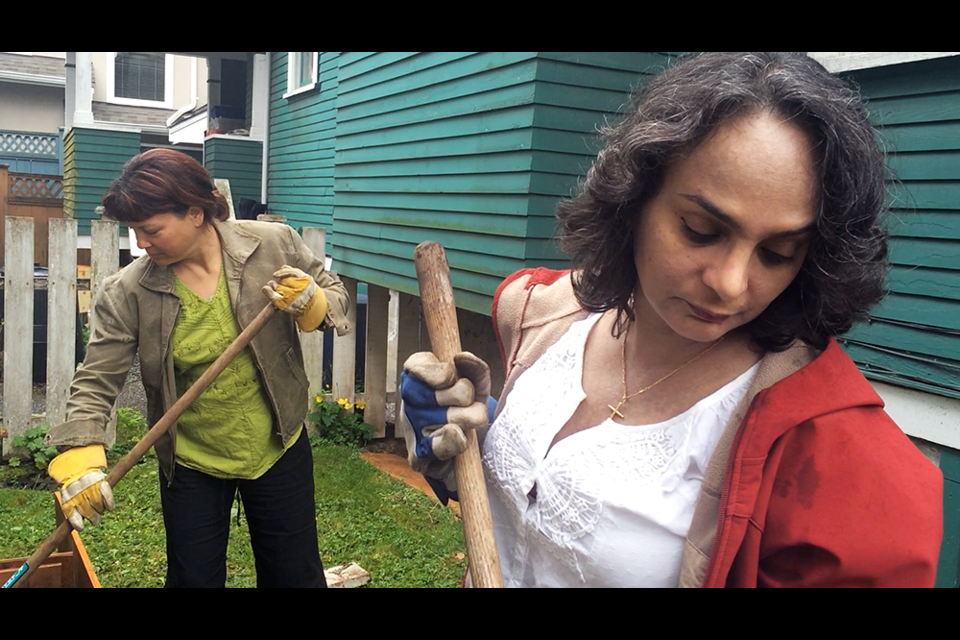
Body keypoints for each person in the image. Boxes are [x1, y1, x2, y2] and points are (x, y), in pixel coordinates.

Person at [400, 52, 944, 587]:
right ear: (634, 198)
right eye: (700, 229)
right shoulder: (548, 317)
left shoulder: (827, 454)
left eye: (778, 253)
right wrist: (467, 451)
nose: (730, 282)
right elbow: (523, 523)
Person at [44, 148, 352, 588]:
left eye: (151, 230)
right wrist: (81, 447)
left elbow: (332, 294)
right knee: (193, 578)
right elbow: (96, 378)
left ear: (194, 211)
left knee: (295, 574)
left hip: (278, 444)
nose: (142, 244)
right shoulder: (128, 291)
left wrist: (314, 302)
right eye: (135, 231)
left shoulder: (273, 244)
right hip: (191, 458)